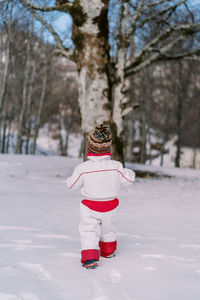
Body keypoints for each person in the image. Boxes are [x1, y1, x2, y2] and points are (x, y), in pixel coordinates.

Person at [66, 124, 135, 269]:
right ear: (108, 148)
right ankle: (108, 251)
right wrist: (130, 172)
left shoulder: (83, 168)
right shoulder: (116, 166)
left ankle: (90, 258)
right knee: (109, 229)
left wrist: (69, 179)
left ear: (90, 148)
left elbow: (72, 185)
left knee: (89, 231)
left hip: (90, 206)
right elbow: (128, 180)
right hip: (110, 205)